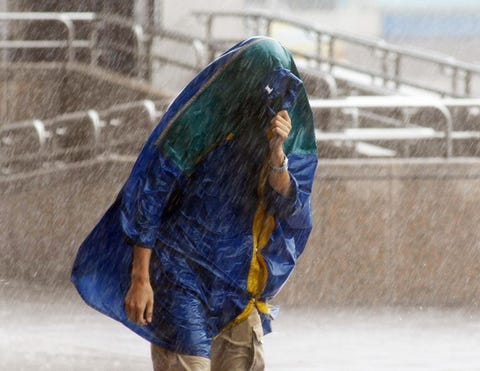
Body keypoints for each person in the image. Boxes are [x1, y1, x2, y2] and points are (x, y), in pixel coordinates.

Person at [71, 36, 318, 371]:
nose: (269, 100)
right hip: (179, 271)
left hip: (237, 284)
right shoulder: (197, 124)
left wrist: (277, 153)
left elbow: (290, 207)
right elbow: (149, 195)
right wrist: (140, 277)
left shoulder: (287, 132)